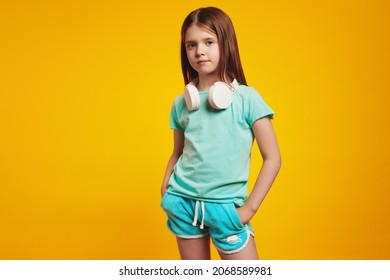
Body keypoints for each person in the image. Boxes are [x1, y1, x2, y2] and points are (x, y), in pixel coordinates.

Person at [161, 6, 281, 260]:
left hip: (225, 209)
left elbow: (273, 157)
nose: (199, 51)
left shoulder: (247, 99)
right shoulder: (181, 103)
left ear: (226, 43)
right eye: (191, 45)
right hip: (182, 203)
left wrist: (249, 208)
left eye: (208, 42)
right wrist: (165, 189)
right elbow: (178, 153)